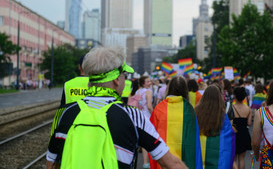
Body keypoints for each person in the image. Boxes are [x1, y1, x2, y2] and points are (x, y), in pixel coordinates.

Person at [46, 46, 187, 169]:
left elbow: (52, 164)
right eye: (124, 75)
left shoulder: (64, 113)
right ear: (116, 79)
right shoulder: (133, 116)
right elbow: (170, 164)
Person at [149, 75, 203, 169]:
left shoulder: (159, 108)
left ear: (169, 88)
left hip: (163, 159)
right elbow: (194, 139)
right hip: (183, 161)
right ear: (185, 90)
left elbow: (150, 135)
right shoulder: (189, 110)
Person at [195, 85, 236, 168]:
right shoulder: (222, 115)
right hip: (217, 154)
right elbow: (228, 135)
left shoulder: (196, 111)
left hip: (200, 151)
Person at [232, 87, 252, 169]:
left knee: (233, 159)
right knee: (242, 158)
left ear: (235, 96)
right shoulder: (248, 109)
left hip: (234, 134)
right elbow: (249, 123)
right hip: (244, 134)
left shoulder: (231, 107)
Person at [136, 75, 154, 168]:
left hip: (138, 116)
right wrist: (154, 114)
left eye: (149, 81)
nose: (150, 83)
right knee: (149, 139)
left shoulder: (137, 91)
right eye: (147, 81)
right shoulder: (149, 92)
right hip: (147, 117)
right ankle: (148, 163)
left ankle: (145, 163)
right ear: (143, 83)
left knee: (140, 140)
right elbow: (149, 106)